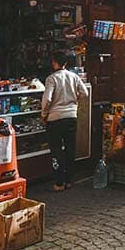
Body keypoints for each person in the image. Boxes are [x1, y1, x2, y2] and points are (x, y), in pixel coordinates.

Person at [41, 51, 90, 191]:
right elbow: (85, 93)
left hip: (55, 118)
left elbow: (47, 98)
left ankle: (59, 182)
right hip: (71, 117)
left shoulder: (52, 78)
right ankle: (69, 181)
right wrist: (74, 101)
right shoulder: (74, 76)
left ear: (54, 62)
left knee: (56, 150)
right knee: (70, 149)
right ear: (66, 63)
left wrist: (44, 114)